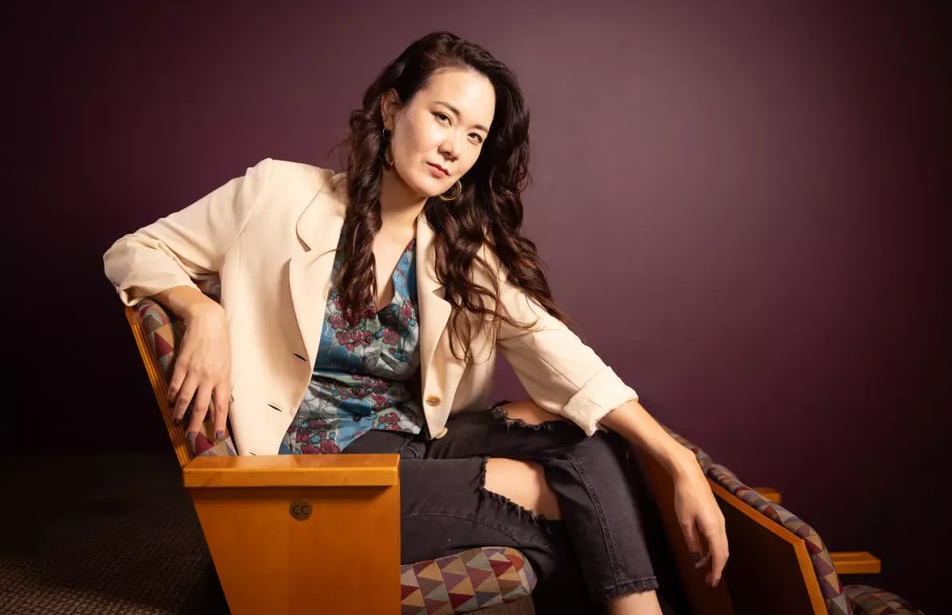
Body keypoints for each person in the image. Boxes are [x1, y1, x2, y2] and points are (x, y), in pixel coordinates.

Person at [104, 31, 727, 614]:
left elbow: (557, 351)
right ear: (391, 109)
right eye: (443, 117)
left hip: (412, 443)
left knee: (586, 439)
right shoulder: (276, 194)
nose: (455, 146)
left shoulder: (460, 247)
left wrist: (679, 463)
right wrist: (201, 310)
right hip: (310, 467)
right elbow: (133, 251)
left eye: (476, 136)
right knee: (559, 508)